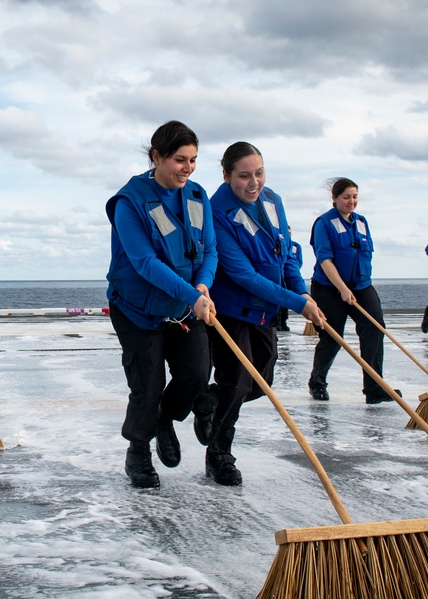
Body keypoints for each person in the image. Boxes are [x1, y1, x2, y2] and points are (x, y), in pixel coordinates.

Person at [197, 142, 325, 485]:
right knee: (237, 382)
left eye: (259, 173)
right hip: (231, 310)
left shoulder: (273, 200)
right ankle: (219, 455)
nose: (254, 183)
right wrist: (299, 305)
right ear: (225, 176)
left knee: (261, 382)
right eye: (243, 176)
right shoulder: (216, 212)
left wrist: (301, 290)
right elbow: (243, 275)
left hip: (265, 312)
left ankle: (209, 399)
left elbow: (286, 255)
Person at [106, 120, 217, 489]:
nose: (188, 167)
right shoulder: (129, 201)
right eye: (180, 160)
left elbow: (210, 250)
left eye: (193, 159)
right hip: (138, 310)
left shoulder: (198, 196)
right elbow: (145, 263)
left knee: (197, 373)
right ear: (157, 157)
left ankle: (165, 419)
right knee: (147, 385)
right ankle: (138, 452)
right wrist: (193, 296)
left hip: (185, 306)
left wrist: (202, 284)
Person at [307, 178, 400, 404]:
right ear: (335, 198)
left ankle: (374, 388)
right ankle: (317, 382)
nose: (351, 201)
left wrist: (356, 286)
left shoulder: (361, 222)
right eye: (346, 197)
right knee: (332, 337)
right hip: (330, 288)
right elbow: (325, 259)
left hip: (361, 286)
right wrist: (342, 289)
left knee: (374, 329)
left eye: (355, 196)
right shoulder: (324, 223)